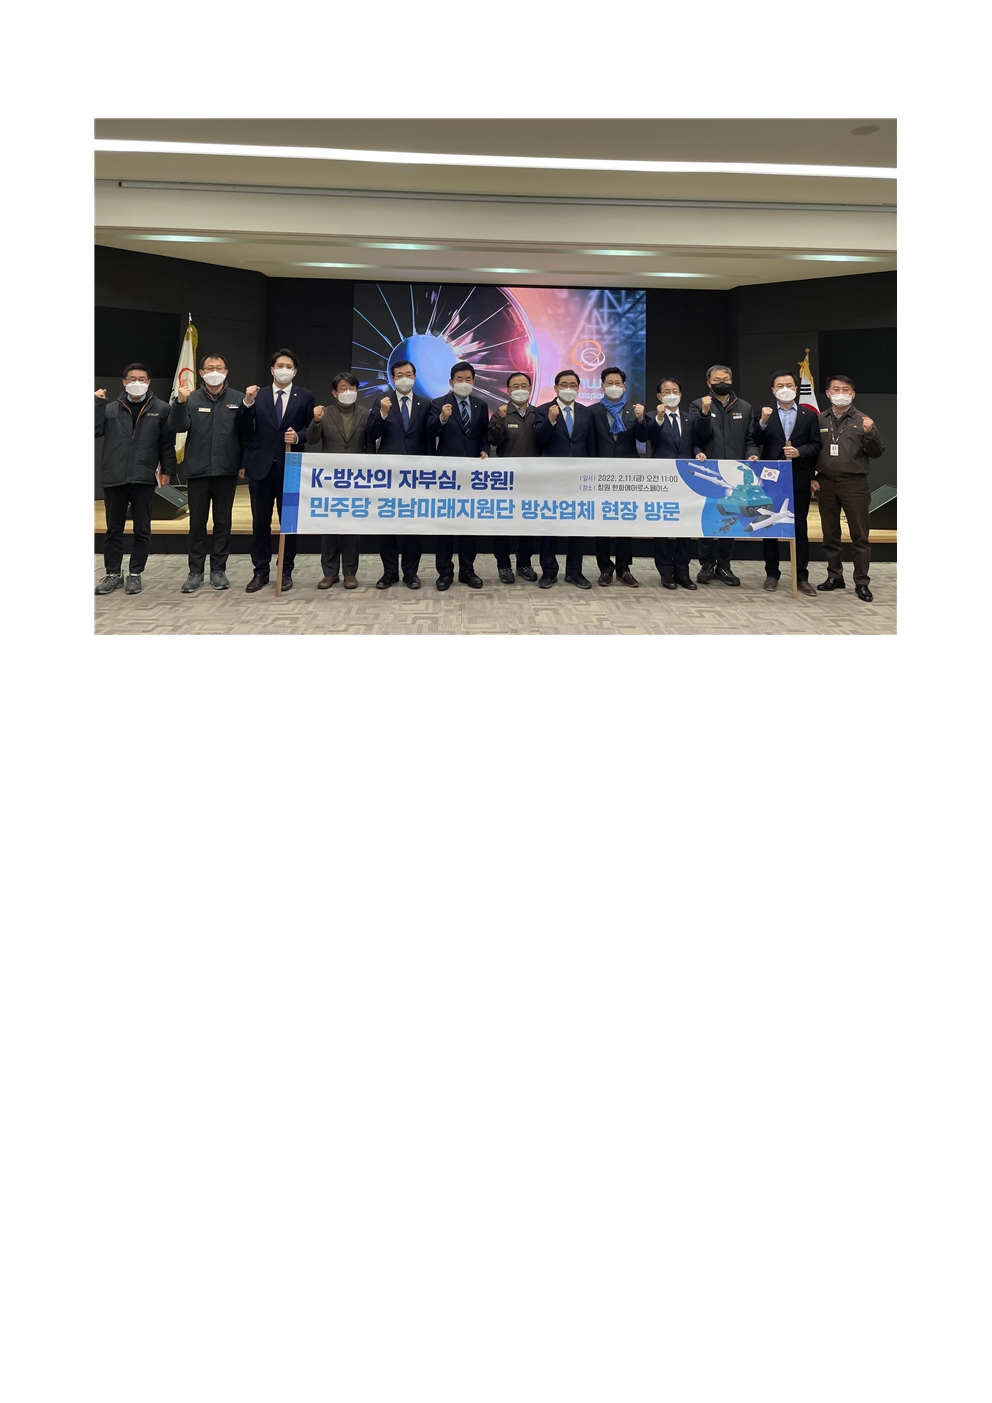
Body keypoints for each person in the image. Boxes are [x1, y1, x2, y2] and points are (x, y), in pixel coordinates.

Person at [168, 352, 250, 593]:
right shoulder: (190, 399)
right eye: (210, 368)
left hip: (226, 469)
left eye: (220, 367)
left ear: (226, 372)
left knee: (223, 522)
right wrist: (180, 402)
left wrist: (243, 462)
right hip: (198, 471)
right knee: (197, 523)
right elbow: (177, 426)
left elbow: (246, 433)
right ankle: (195, 572)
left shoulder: (238, 399)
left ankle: (218, 570)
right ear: (202, 373)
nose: (215, 371)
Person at [94, 364, 176, 595]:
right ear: (124, 382)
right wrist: (97, 404)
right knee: (113, 529)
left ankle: (135, 573)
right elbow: (94, 430)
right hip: (115, 476)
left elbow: (166, 443)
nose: (136, 383)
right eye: (132, 379)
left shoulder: (162, 409)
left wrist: (168, 469)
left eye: (141, 379)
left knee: (142, 529)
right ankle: (113, 573)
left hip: (143, 477)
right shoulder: (110, 408)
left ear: (149, 382)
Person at [239, 348, 316, 593]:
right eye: (280, 366)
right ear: (272, 370)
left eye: (289, 366)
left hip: (290, 467)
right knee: (260, 523)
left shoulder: (305, 396)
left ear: (295, 371)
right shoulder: (257, 395)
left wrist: (299, 436)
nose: (284, 370)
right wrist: (246, 403)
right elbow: (242, 427)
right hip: (260, 468)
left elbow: (312, 430)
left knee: (288, 524)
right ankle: (260, 571)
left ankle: (285, 570)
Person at [814, 374, 884, 602]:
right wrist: (812, 477)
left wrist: (869, 433)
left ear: (853, 394)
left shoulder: (863, 420)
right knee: (830, 534)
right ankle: (834, 576)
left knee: (859, 535)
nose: (841, 393)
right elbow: (812, 450)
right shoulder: (819, 419)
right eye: (836, 389)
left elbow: (876, 452)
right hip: (826, 483)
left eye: (846, 390)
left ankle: (861, 582)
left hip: (855, 484)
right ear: (828, 393)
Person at [752, 371, 821, 596]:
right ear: (773, 390)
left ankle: (801, 576)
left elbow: (816, 444)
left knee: (799, 527)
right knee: (770, 524)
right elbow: (755, 439)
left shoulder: (808, 415)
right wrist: (762, 422)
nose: (785, 389)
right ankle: (772, 573)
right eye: (780, 385)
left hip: (798, 477)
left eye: (789, 385)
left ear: (796, 388)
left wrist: (799, 452)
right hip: (771, 478)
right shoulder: (765, 413)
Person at [691, 364, 759, 586]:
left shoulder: (745, 407)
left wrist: (752, 454)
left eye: (726, 379)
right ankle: (706, 565)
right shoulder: (697, 405)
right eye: (717, 379)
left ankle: (724, 565)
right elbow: (698, 438)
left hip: (735, 473)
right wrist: (704, 413)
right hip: (709, 471)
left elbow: (751, 439)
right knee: (709, 517)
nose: (722, 382)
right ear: (708, 383)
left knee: (730, 519)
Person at [365, 359, 429, 589]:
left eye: (408, 374)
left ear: (415, 376)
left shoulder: (425, 404)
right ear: (393, 378)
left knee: (413, 526)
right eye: (399, 375)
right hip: (389, 473)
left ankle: (411, 573)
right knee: (388, 525)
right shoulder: (382, 402)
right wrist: (382, 414)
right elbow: (371, 433)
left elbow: (430, 436)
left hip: (416, 473)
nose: (404, 378)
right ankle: (389, 573)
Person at [427, 361, 490, 590]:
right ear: (451, 382)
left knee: (468, 524)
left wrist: (485, 449)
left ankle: (467, 570)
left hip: (471, 473)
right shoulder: (438, 403)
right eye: (459, 380)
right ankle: (444, 572)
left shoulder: (481, 405)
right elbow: (429, 431)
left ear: (474, 381)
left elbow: (483, 434)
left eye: (468, 379)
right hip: (447, 473)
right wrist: (442, 418)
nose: (464, 383)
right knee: (446, 525)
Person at [305, 372, 369, 590]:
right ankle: (330, 573)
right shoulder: (325, 413)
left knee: (352, 528)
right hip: (330, 480)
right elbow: (312, 439)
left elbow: (370, 447)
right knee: (329, 527)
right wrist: (315, 421)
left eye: (352, 388)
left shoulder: (366, 414)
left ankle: (350, 572)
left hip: (356, 479)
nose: (348, 392)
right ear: (335, 393)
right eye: (343, 388)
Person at [533, 370, 595, 588]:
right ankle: (549, 571)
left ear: (578, 388)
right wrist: (550, 421)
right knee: (550, 525)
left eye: (573, 385)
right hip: (551, 476)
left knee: (576, 525)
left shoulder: (586, 412)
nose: (569, 388)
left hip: (579, 477)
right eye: (564, 384)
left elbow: (590, 444)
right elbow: (538, 440)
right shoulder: (542, 410)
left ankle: (574, 571)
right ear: (556, 387)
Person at [641, 378, 704, 590]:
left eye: (675, 390)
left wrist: (698, 453)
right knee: (662, 527)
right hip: (661, 478)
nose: (671, 394)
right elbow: (647, 436)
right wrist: (659, 418)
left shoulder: (690, 419)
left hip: (685, 478)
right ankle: (665, 572)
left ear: (681, 394)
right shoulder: (652, 416)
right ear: (659, 396)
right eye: (666, 391)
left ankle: (682, 572)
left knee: (684, 526)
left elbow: (695, 443)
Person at [588, 366, 646, 587]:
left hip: (626, 475)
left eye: (617, 383)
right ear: (602, 386)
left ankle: (624, 569)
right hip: (600, 474)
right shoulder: (592, 411)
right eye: (609, 383)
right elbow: (590, 442)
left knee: (624, 522)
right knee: (601, 523)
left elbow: (643, 438)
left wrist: (641, 420)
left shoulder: (633, 411)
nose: (614, 386)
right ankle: (605, 569)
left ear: (624, 386)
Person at [487, 371, 539, 583]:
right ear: (508, 391)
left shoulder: (538, 413)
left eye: (524, 386)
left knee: (528, 523)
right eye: (515, 386)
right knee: (503, 524)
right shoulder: (501, 413)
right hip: (506, 479)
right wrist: (499, 420)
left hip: (532, 479)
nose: (520, 390)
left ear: (530, 388)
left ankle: (524, 564)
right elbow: (493, 440)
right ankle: (503, 565)